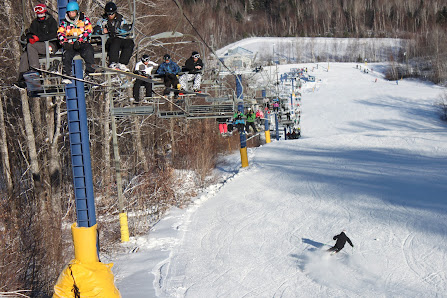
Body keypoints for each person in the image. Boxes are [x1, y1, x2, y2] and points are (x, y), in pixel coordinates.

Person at [16, 4, 58, 88]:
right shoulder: (35, 23)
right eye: (38, 13)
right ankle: (22, 77)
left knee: (30, 46)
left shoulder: (51, 22)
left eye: (41, 13)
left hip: (50, 45)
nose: (40, 15)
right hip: (37, 47)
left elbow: (53, 35)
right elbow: (31, 33)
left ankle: (35, 70)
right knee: (25, 55)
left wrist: (38, 38)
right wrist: (30, 37)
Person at [57, 1, 95, 84]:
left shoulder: (84, 20)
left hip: (82, 42)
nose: (71, 14)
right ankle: (67, 74)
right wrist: (64, 42)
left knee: (88, 52)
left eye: (73, 12)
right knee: (67, 54)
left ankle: (90, 74)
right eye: (70, 12)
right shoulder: (65, 22)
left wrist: (80, 40)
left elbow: (89, 30)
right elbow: (60, 32)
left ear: (77, 12)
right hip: (71, 43)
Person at [97, 1, 133, 71]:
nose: (110, 15)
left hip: (120, 40)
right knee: (115, 40)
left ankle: (122, 63)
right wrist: (102, 31)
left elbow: (126, 31)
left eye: (112, 14)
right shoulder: (102, 21)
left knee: (129, 42)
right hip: (107, 41)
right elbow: (95, 31)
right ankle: (113, 62)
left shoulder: (121, 20)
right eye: (108, 14)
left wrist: (118, 30)